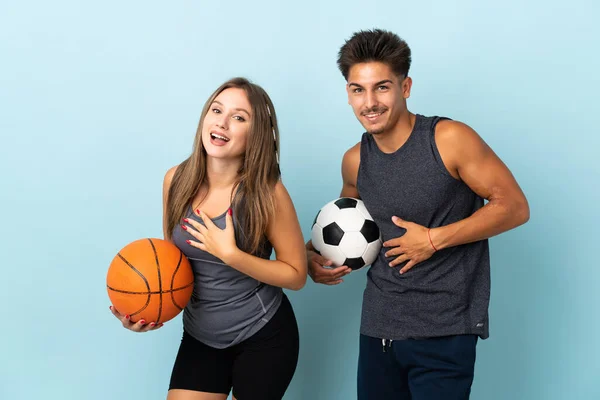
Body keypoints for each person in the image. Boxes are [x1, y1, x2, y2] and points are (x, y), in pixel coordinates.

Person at [306, 29, 530, 400]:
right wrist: (313, 256)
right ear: (348, 93)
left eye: (382, 87)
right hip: (378, 328)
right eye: (358, 89)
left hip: (445, 328)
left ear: (405, 87)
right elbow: (343, 225)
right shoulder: (355, 161)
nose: (370, 102)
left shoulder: (448, 139)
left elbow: (514, 206)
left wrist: (431, 239)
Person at [110, 77, 308, 400]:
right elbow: (174, 267)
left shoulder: (267, 194)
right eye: (216, 110)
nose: (222, 122)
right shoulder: (175, 181)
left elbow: (297, 275)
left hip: (263, 333)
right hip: (201, 335)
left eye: (239, 117)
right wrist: (145, 306)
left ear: (255, 135)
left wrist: (233, 255)